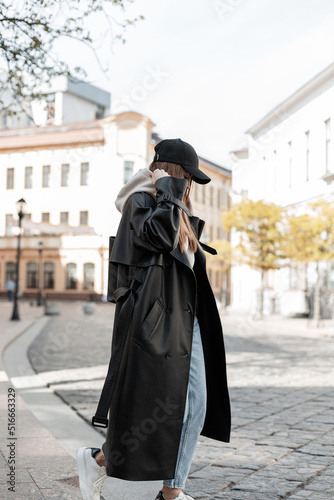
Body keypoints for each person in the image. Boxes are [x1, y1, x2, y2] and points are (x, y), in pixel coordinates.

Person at [77, 139, 231, 500]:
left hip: (185, 321)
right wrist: (167, 189)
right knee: (154, 407)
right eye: (188, 176)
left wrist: (172, 196)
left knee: (195, 404)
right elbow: (159, 237)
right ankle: (113, 466)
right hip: (156, 322)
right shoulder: (142, 201)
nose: (191, 184)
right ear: (174, 173)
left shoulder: (173, 205)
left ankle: (163, 488)